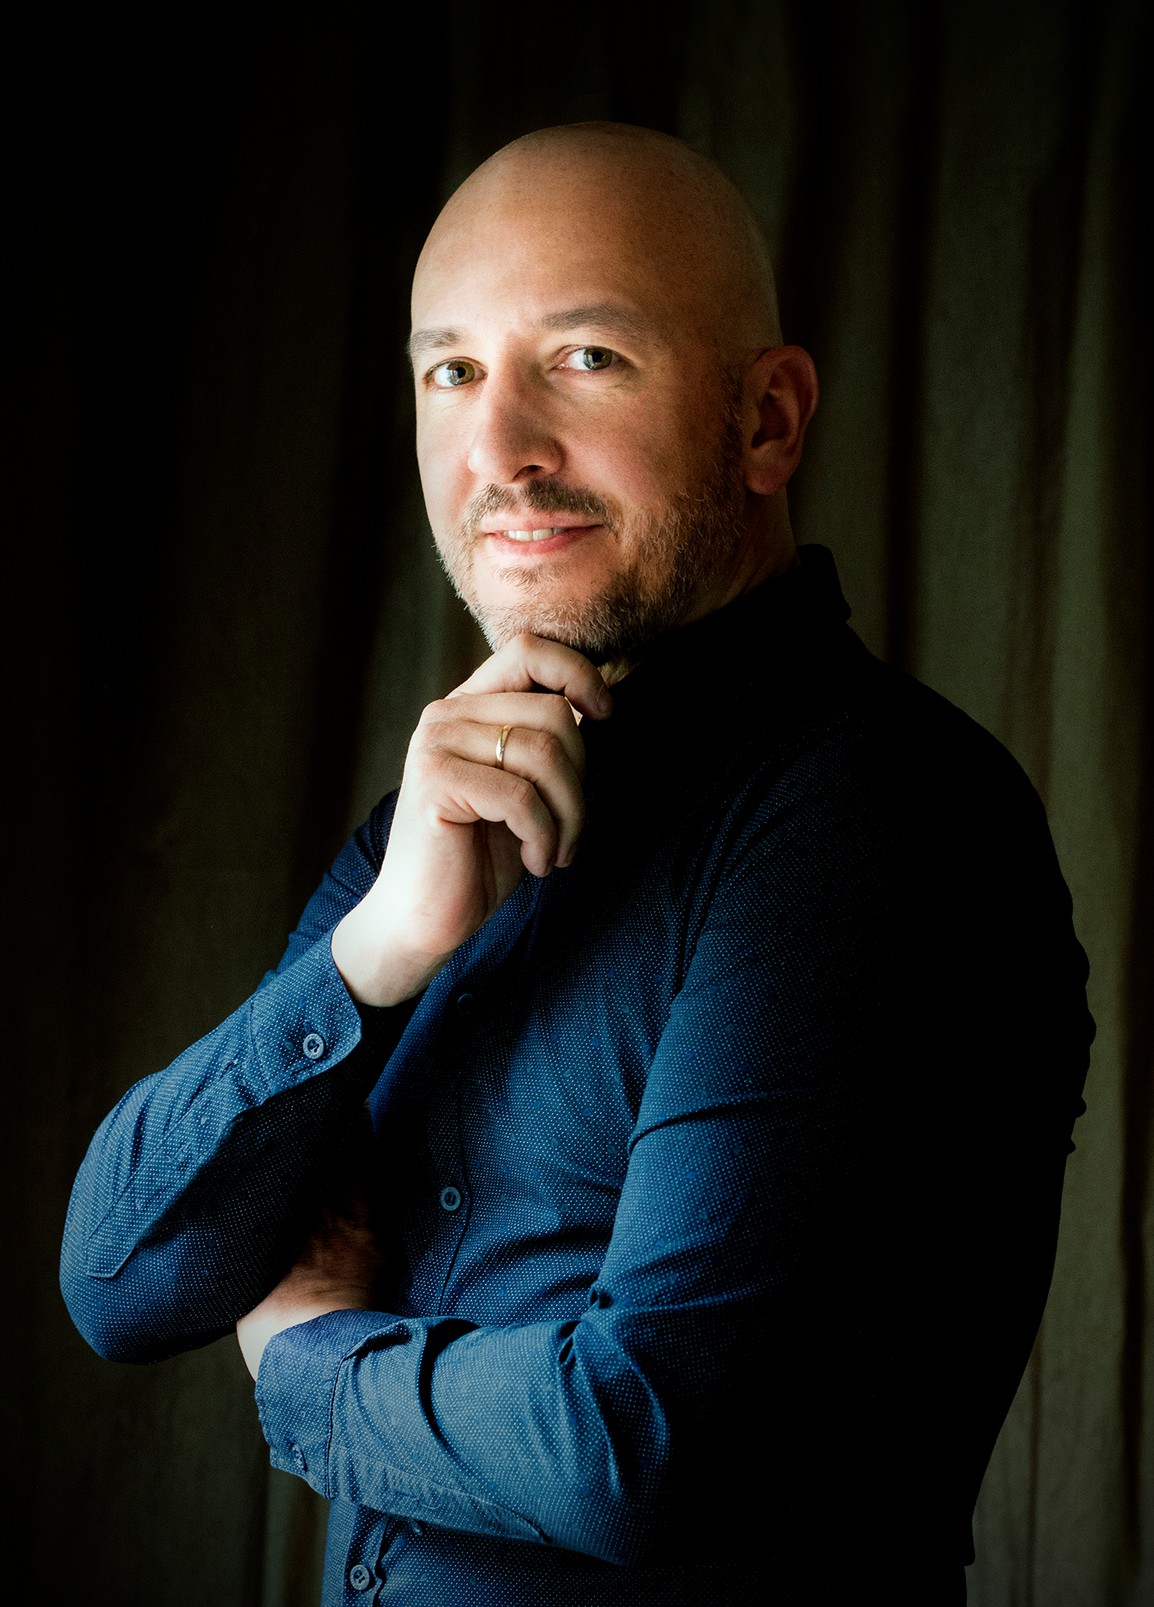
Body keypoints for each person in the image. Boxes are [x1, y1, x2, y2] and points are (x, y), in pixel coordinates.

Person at [61, 123, 1092, 1606]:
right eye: (452, 372)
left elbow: (638, 1447)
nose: (499, 453)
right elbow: (119, 1282)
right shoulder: (446, 812)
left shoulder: (886, 818)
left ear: (768, 422)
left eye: (586, 359)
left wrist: (308, 1359)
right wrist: (376, 955)